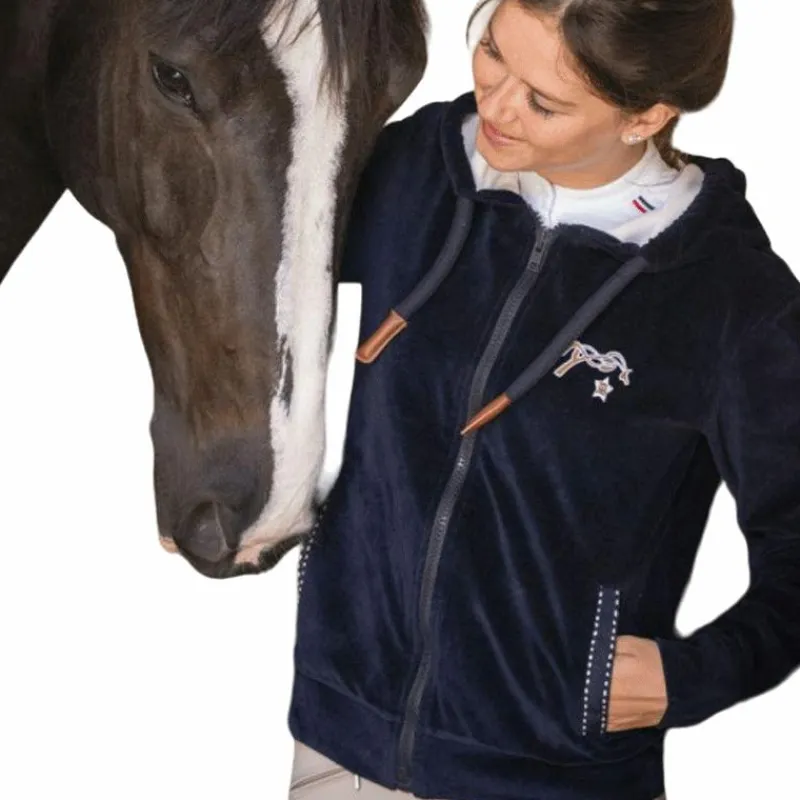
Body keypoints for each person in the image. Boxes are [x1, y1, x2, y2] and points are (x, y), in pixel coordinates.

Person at [287, 1, 800, 798]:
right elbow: (243, 265)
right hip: (337, 742)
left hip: (547, 776)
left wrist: (696, 675)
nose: (494, 105)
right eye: (492, 52)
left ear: (646, 116)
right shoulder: (419, 166)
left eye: (543, 101)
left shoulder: (731, 299)